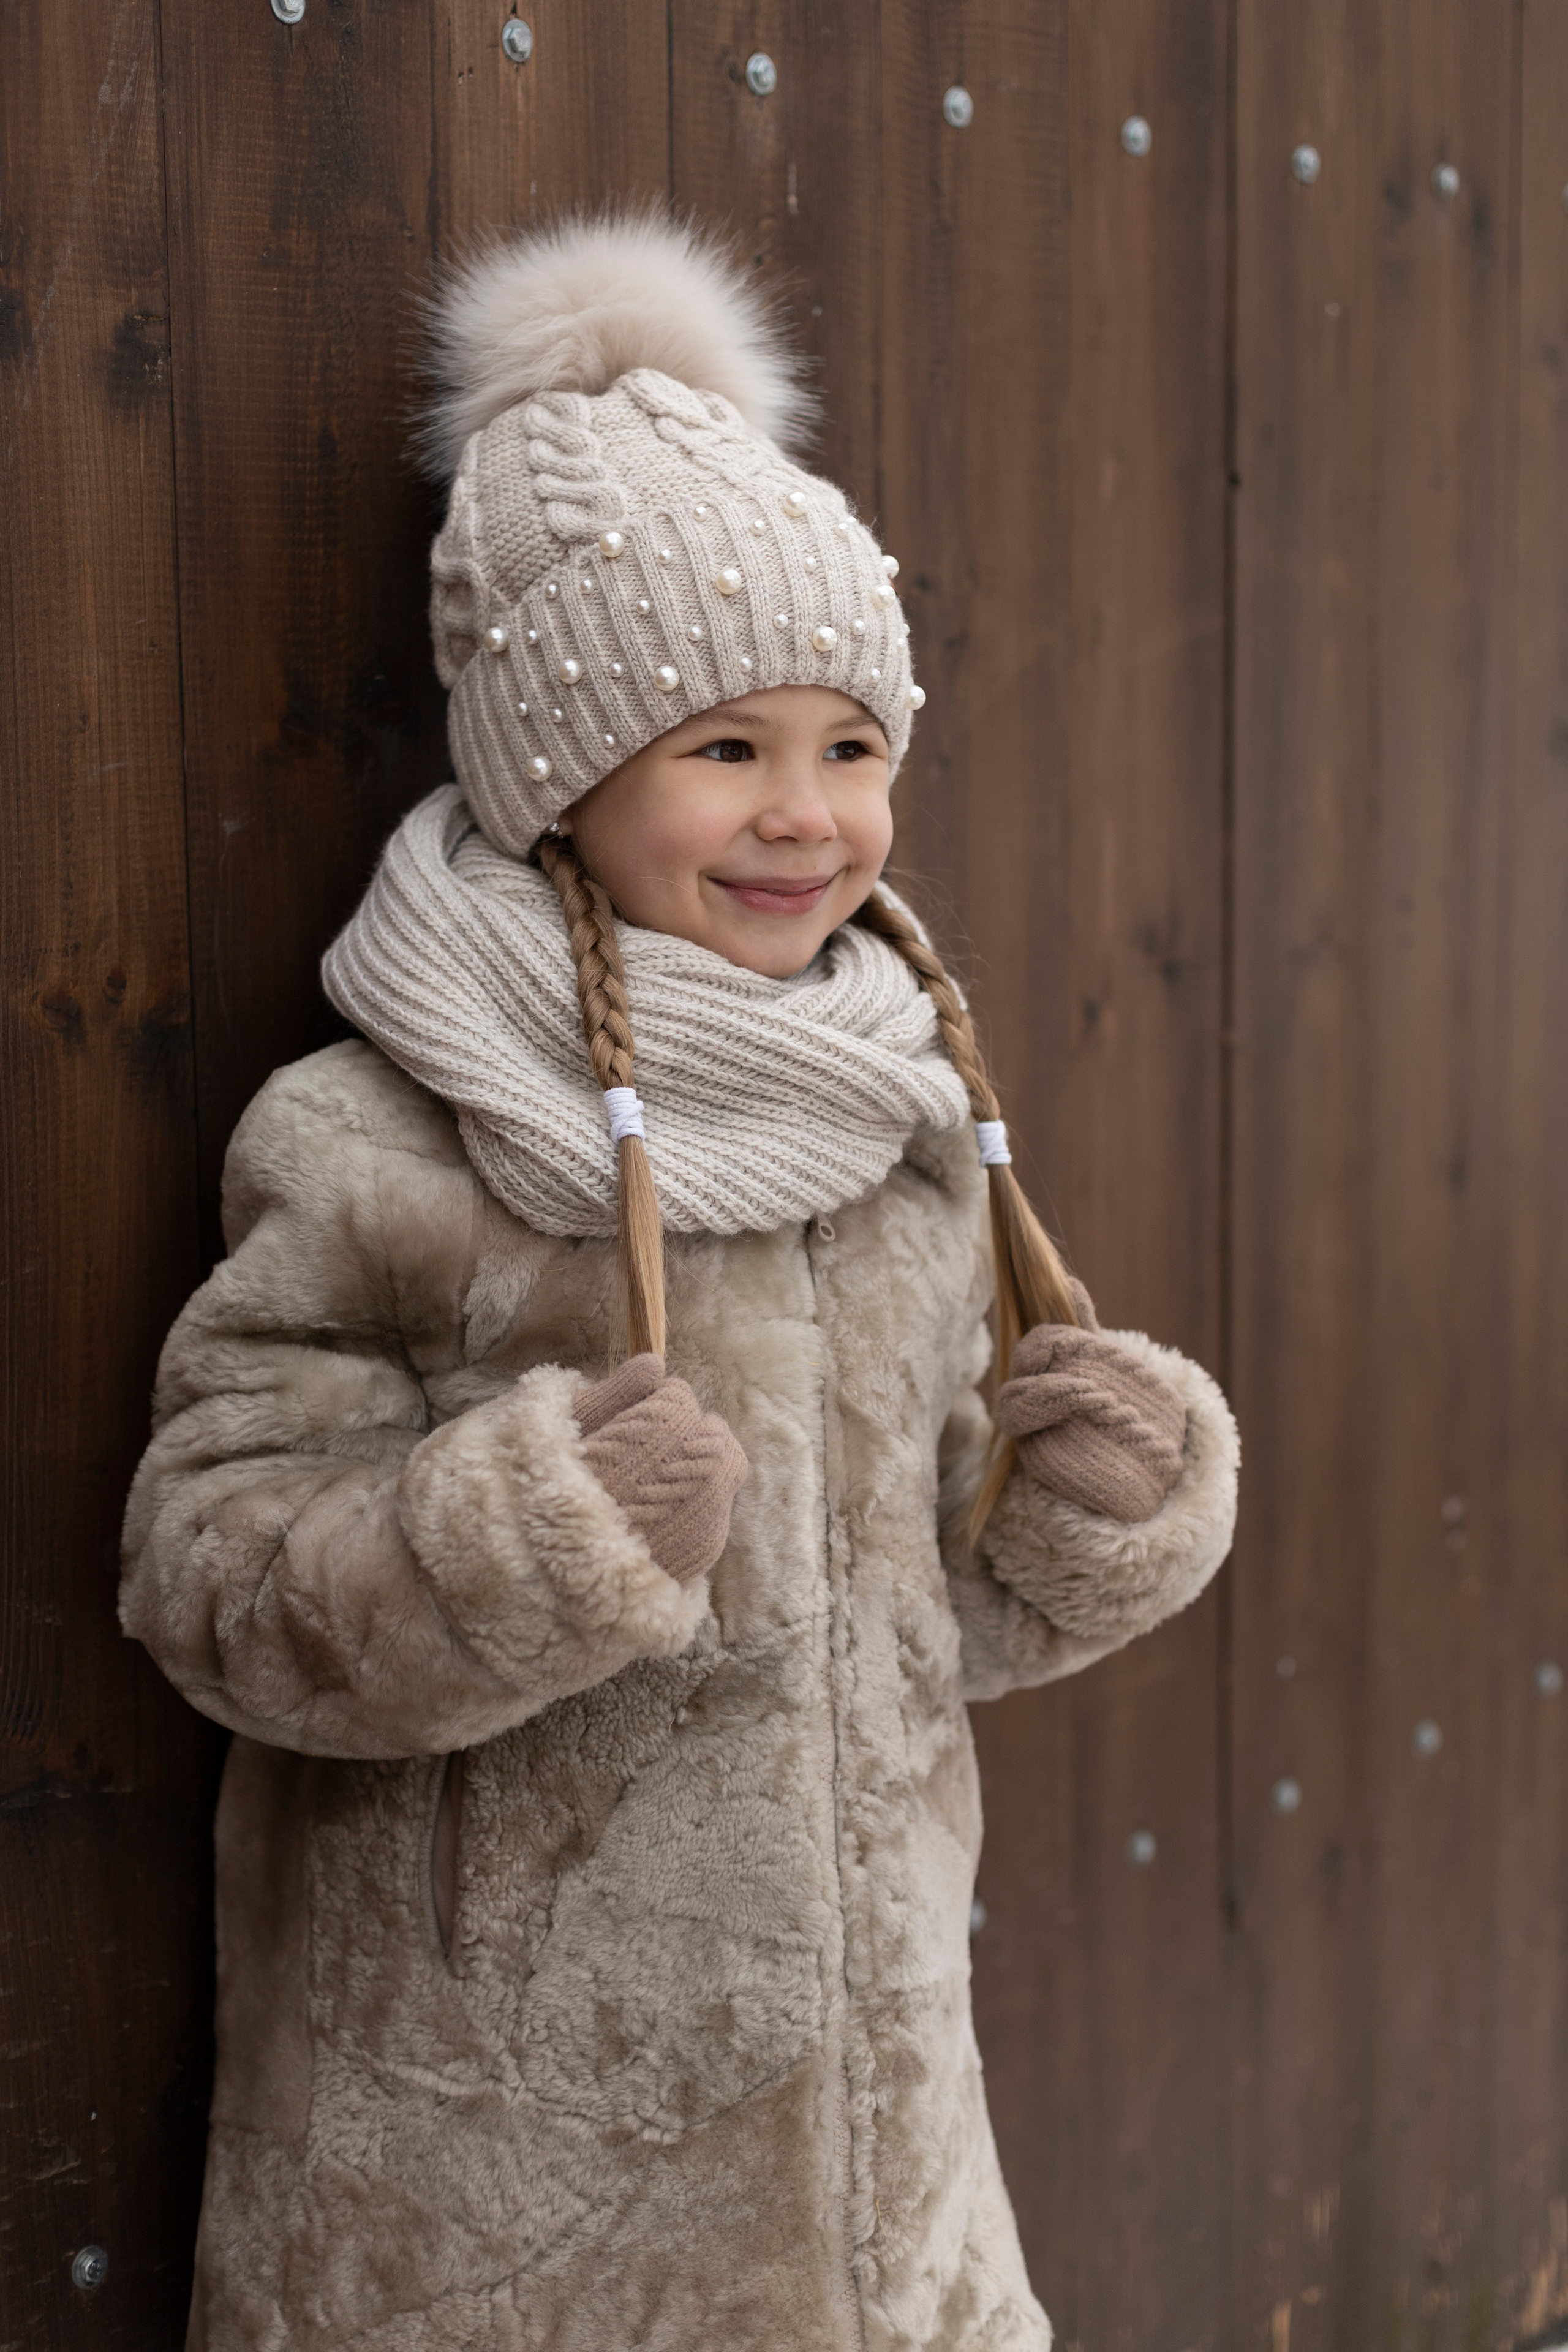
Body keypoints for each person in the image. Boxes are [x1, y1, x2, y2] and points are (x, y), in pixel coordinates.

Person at [121, 211, 1239, 2352]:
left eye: (850, 744)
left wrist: (1092, 1523)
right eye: (724, 749)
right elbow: (212, 1580)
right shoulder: (383, 1130)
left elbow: (916, 1616)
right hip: (492, 2184)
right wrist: (523, 1537)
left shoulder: (894, 1116)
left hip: (885, 2163)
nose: (807, 817)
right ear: (560, 767)